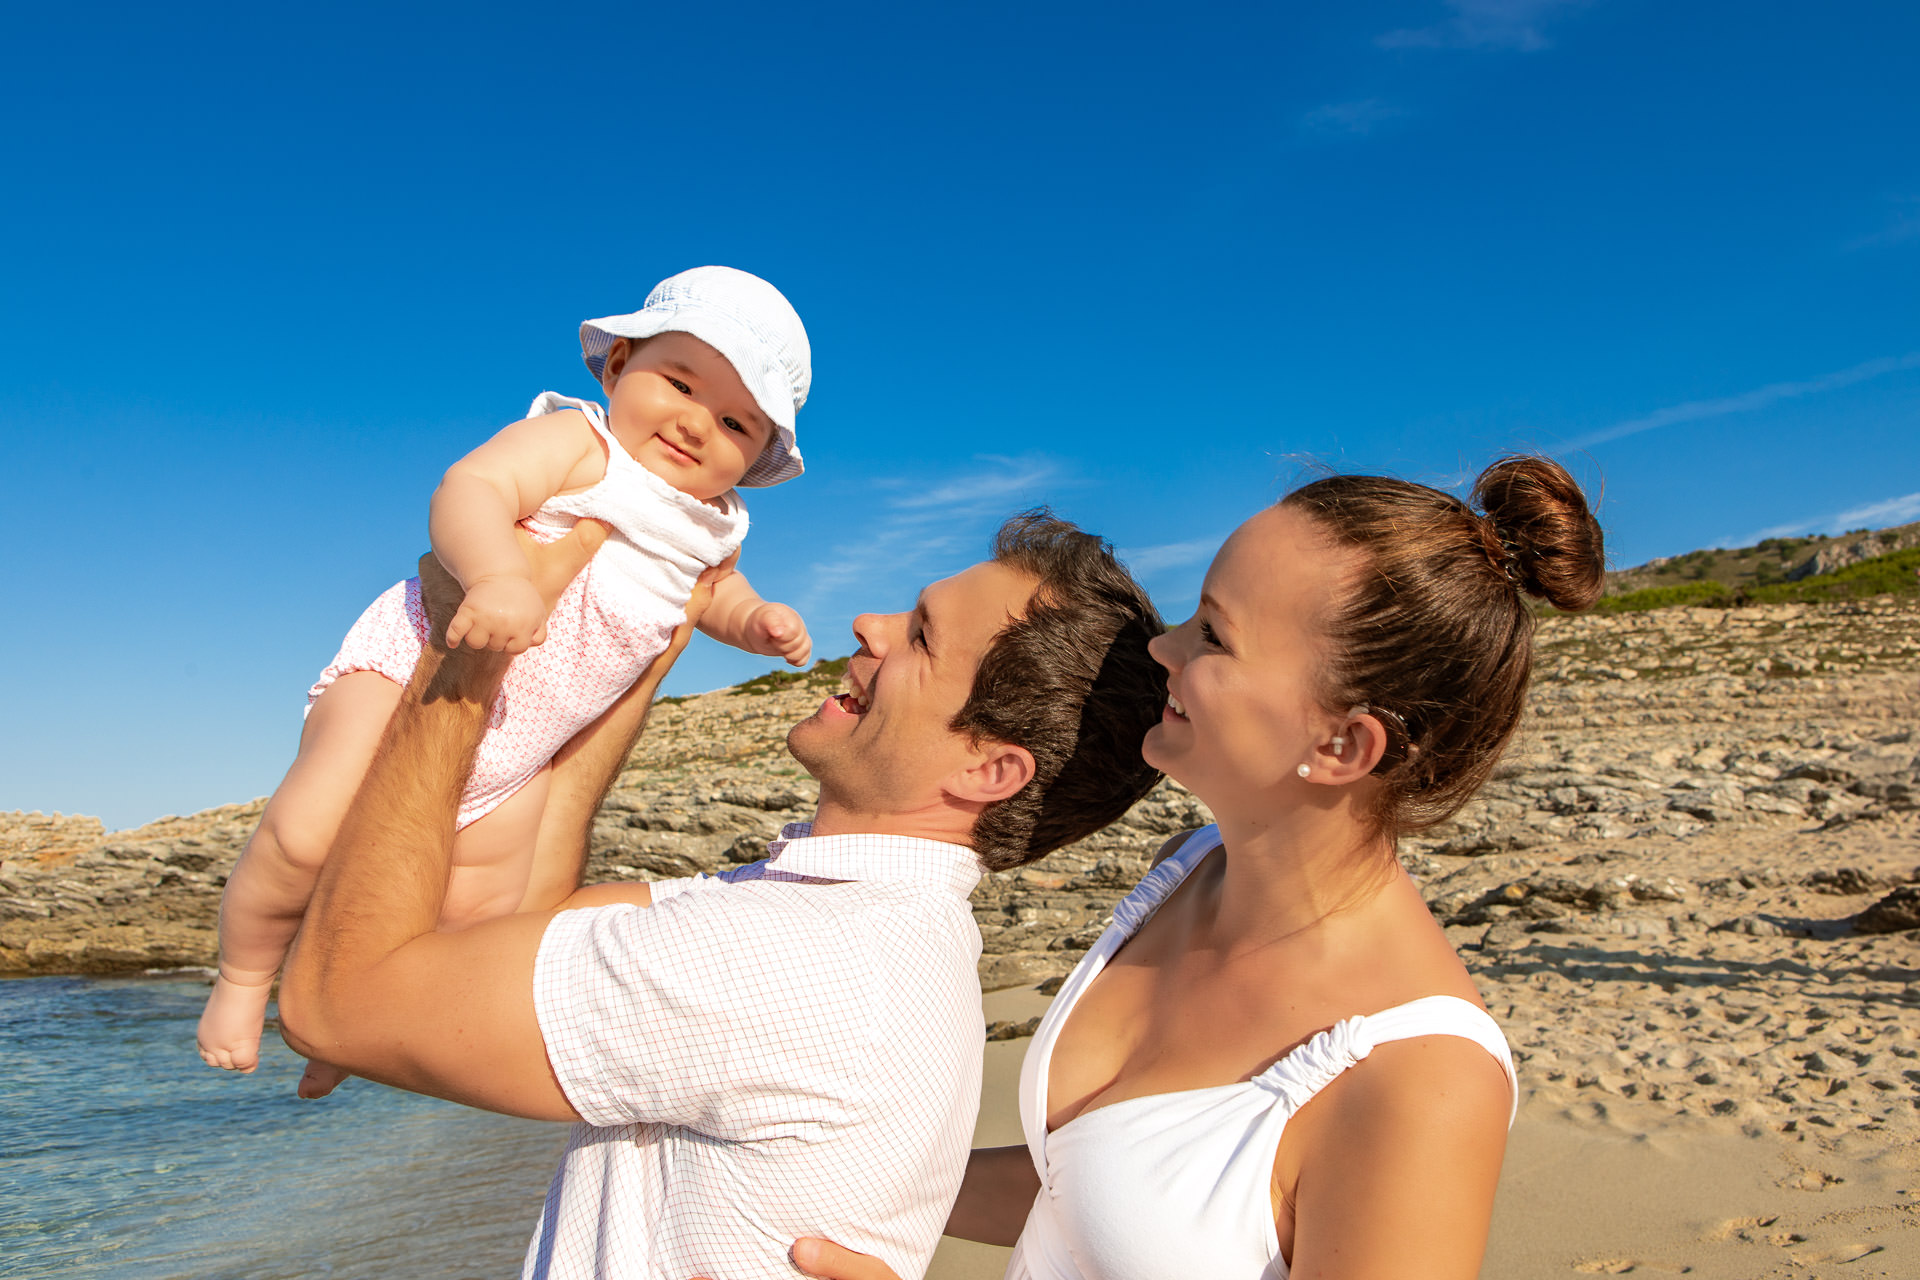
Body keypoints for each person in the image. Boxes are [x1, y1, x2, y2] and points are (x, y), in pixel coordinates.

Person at [767, 456, 1606, 1280]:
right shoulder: (1189, 869)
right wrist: (819, 1182)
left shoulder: (1424, 1081)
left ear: (1343, 745)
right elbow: (1089, 1192)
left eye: (1212, 634)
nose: (1160, 647)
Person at [275, 511, 1169, 1280]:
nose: (870, 623)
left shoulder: (794, 958)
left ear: (989, 770)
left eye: (923, 637)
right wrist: (636, 666)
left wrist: (458, 665)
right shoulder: (843, 925)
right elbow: (522, 931)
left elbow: (337, 1004)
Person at [199, 266, 819, 1091]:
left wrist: (755, 621)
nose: (697, 423)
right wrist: (496, 575)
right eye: (680, 384)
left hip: (526, 744)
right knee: (305, 835)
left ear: (756, 455)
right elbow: (472, 486)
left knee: (478, 909)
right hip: (413, 670)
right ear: (617, 364)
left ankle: (348, 1024)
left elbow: (715, 595)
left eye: (737, 422)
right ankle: (243, 980)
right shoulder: (580, 443)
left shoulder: (714, 525)